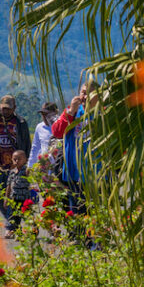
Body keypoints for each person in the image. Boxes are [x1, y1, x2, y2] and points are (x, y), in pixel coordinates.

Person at [51, 81, 98, 241]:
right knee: (76, 210)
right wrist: (70, 111)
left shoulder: (103, 113)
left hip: (96, 174)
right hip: (74, 172)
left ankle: (95, 243)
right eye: (83, 92)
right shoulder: (73, 113)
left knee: (94, 212)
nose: (85, 96)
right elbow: (57, 132)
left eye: (89, 93)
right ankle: (78, 242)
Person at [5, 150, 32, 238]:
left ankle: (33, 230)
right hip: (14, 198)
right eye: (14, 159)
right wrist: (6, 198)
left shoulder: (26, 170)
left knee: (28, 215)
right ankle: (16, 232)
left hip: (25, 198)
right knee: (15, 216)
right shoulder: (12, 172)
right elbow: (9, 185)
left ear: (25, 160)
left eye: (19, 159)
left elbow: (32, 180)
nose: (16, 161)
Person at [28, 102, 59, 167]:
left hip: (58, 163)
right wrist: (30, 165)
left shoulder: (60, 126)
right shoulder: (40, 127)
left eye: (47, 114)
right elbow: (35, 147)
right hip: (44, 165)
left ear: (55, 113)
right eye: (43, 114)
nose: (44, 117)